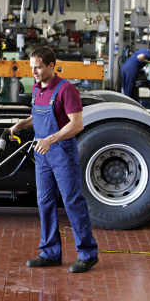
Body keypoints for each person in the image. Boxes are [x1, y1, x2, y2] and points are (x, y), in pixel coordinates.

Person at [9, 46, 98, 273]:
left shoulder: (66, 90)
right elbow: (38, 114)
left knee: (72, 202)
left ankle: (87, 254)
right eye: (32, 68)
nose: (34, 72)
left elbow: (77, 124)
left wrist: (51, 139)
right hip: (43, 154)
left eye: (38, 67)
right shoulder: (37, 89)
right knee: (44, 202)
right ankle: (50, 252)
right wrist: (23, 124)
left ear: (51, 65)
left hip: (61, 153)